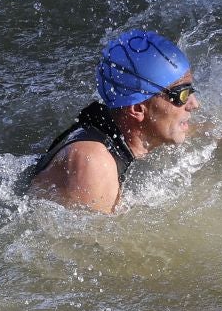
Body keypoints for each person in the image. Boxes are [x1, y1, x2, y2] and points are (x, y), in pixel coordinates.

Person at [27, 29, 199, 213]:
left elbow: (209, 131)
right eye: (182, 94)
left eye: (191, 91)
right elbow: (88, 240)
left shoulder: (116, 131)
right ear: (137, 109)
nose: (195, 104)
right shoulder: (94, 162)